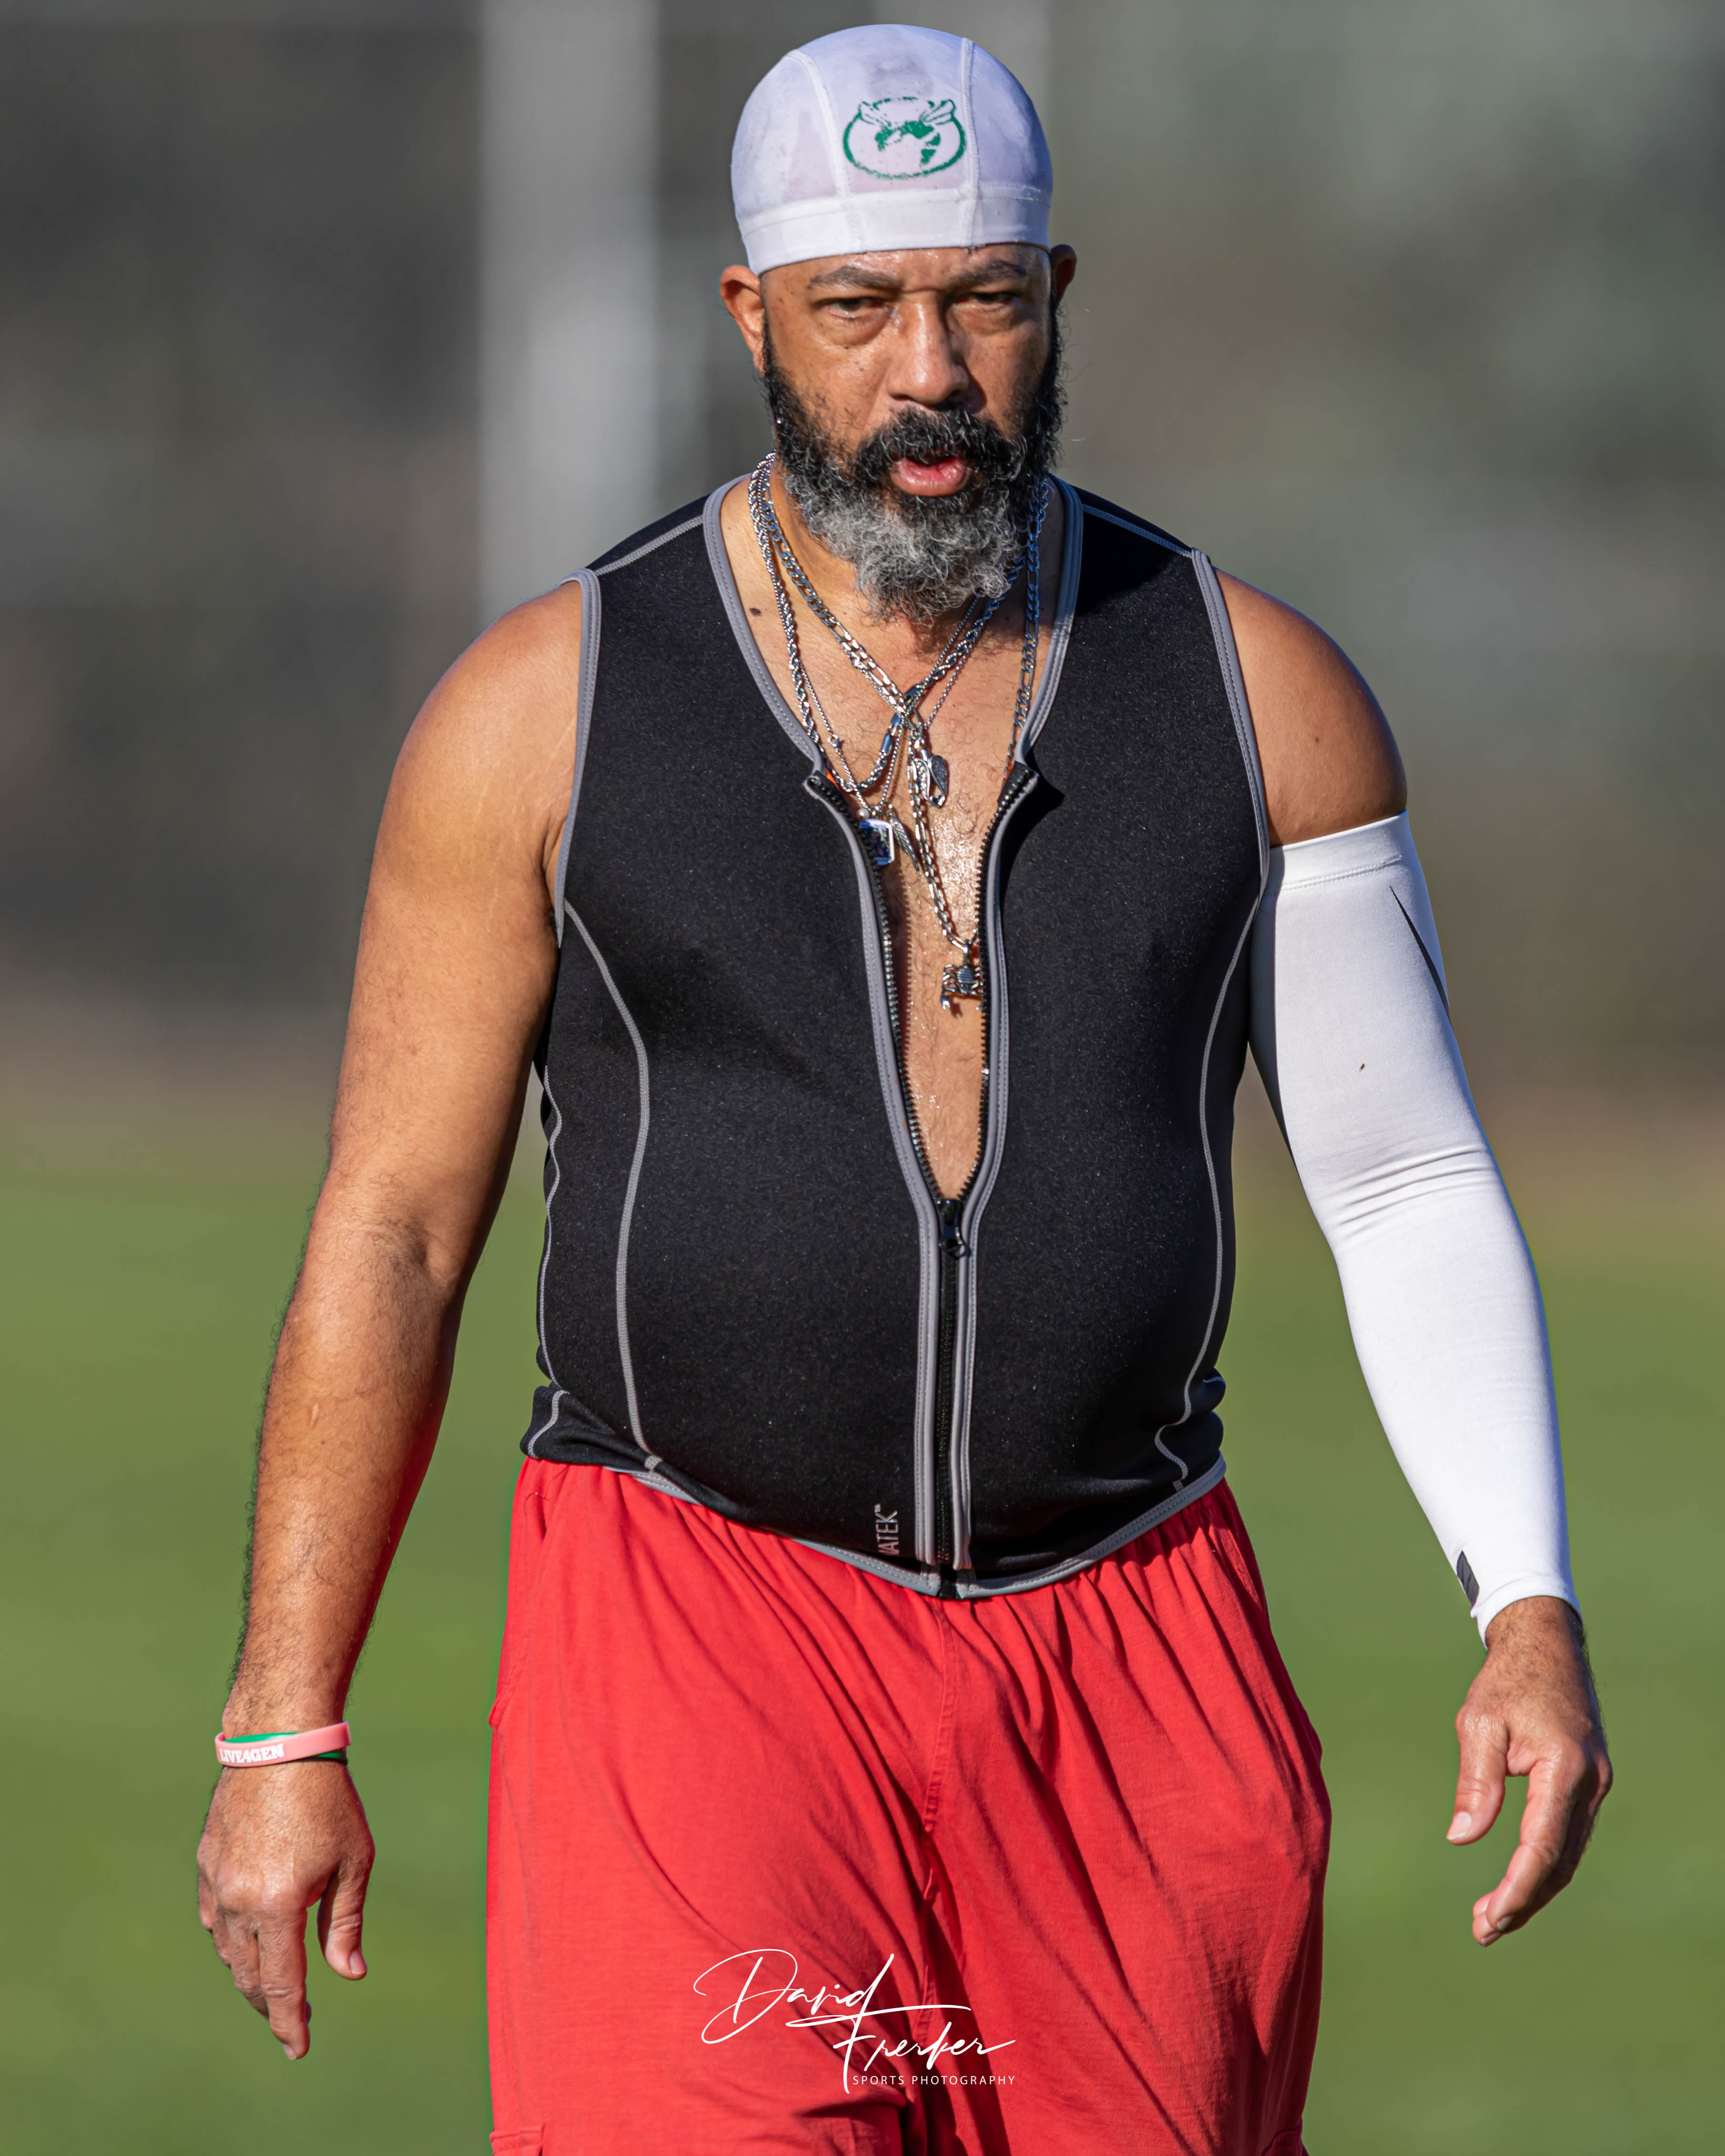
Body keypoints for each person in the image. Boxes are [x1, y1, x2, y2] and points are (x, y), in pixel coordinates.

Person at [196, 25, 1611, 2155]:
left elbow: (1401, 1178)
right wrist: (282, 1727)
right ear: (752, 313)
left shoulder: (1262, 698)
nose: (928, 373)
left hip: (1129, 1651)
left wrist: (1524, 1603)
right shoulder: (541, 713)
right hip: (690, 1632)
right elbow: (392, 1230)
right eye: (858, 307)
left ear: (1058, 296)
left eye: (985, 301)